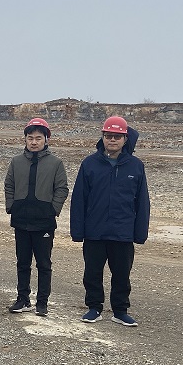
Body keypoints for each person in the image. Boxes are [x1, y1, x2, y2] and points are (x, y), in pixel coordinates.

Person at [69, 116, 150, 326]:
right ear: (102, 137)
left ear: (125, 139)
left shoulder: (135, 166)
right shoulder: (89, 164)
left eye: (117, 136)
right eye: (108, 136)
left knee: (122, 274)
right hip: (95, 231)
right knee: (92, 273)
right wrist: (77, 231)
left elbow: (142, 202)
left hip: (123, 232)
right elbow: (79, 200)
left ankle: (120, 311)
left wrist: (140, 233)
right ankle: (94, 307)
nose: (112, 140)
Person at [4, 118, 69, 317]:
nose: (34, 142)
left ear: (46, 139)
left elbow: (62, 189)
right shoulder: (16, 162)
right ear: (25, 139)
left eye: (38, 138)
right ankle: (23, 299)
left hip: (44, 222)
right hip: (21, 221)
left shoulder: (55, 163)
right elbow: (9, 185)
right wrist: (12, 206)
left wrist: (52, 210)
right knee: (23, 263)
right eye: (30, 138)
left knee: (44, 264)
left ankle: (42, 302)